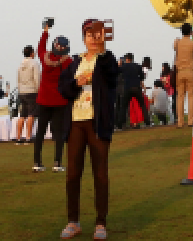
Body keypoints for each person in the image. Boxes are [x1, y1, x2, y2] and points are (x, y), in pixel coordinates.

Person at [61, 18, 119, 240]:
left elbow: (112, 76)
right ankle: (73, 221)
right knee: (73, 173)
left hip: (98, 123)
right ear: (83, 38)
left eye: (96, 35)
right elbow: (63, 89)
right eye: (89, 35)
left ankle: (100, 223)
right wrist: (76, 83)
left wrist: (103, 50)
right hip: (75, 123)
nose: (93, 39)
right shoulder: (74, 62)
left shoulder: (106, 59)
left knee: (100, 174)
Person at [35, 26, 73, 172]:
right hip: (60, 101)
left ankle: (37, 163)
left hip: (43, 100)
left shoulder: (45, 57)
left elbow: (40, 47)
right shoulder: (68, 61)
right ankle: (57, 163)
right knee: (59, 134)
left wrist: (45, 31)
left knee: (40, 132)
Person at [172, 22, 193, 120]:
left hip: (180, 72)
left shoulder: (178, 42)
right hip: (190, 71)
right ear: (190, 32)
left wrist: (177, 40)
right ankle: (190, 120)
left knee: (180, 97)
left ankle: (180, 121)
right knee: (191, 96)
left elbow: (174, 46)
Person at [15, 44, 41, 144]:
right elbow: (37, 78)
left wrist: (20, 90)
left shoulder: (20, 65)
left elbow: (18, 79)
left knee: (22, 115)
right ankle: (28, 137)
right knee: (31, 114)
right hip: (31, 91)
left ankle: (18, 138)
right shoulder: (34, 63)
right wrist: (39, 90)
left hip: (22, 92)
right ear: (31, 53)